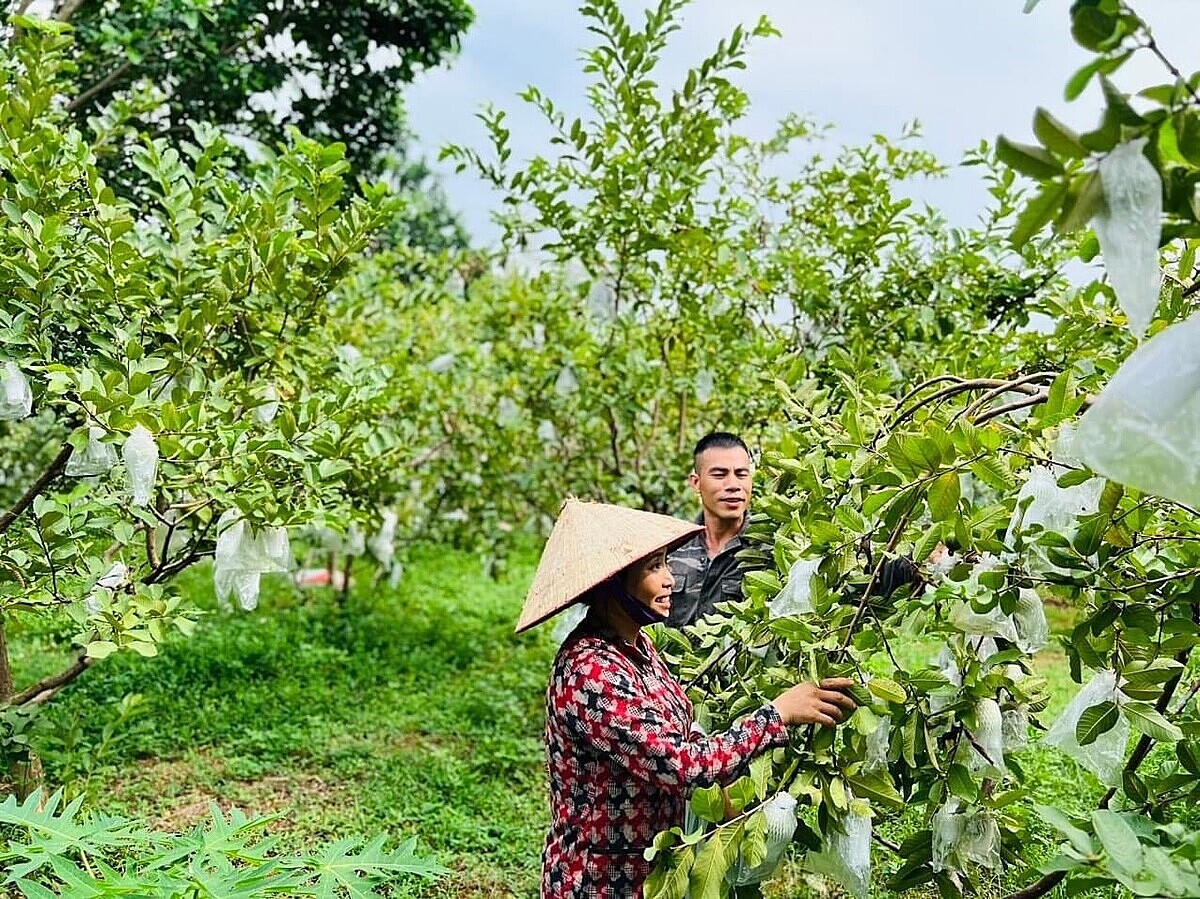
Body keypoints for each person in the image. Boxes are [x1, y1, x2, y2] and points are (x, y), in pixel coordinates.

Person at [516, 498, 857, 899]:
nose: (669, 578)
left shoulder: (637, 646)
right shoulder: (591, 670)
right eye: (653, 567)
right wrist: (777, 715)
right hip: (600, 881)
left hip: (651, 872)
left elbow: (677, 733)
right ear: (612, 584)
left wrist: (733, 799)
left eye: (665, 563)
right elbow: (681, 764)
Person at [667, 431, 756, 628]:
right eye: (719, 475)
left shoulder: (767, 548)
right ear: (696, 483)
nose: (733, 485)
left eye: (741, 474)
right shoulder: (670, 547)